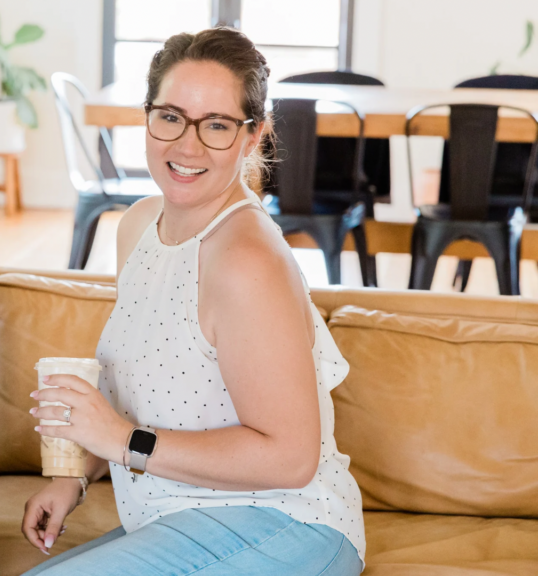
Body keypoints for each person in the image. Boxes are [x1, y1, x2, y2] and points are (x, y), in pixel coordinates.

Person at [21, 28, 365, 575]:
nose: (187, 145)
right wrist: (73, 475)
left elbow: (292, 457)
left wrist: (120, 440)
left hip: (287, 525)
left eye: (218, 126)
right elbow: (138, 388)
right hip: (180, 520)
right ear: (148, 116)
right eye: (171, 116)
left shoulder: (245, 258)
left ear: (253, 137)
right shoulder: (138, 227)